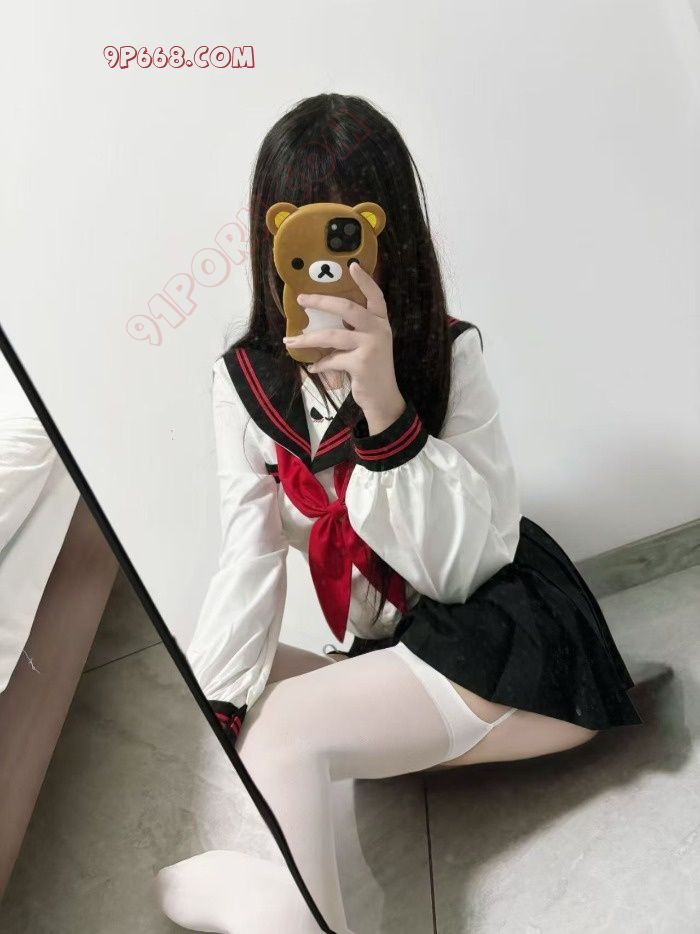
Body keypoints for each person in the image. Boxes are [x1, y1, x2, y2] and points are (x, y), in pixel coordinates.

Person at [154, 93, 643, 934]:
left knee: (285, 732)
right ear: (273, 234)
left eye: (345, 231)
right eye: (300, 231)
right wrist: (222, 702)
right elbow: (249, 557)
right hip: (400, 646)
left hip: (510, 637)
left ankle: (264, 906)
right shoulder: (244, 386)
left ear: (386, 231)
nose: (324, 262)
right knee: (223, 689)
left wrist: (383, 405)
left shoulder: (446, 352)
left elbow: (466, 568)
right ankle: (255, 893)